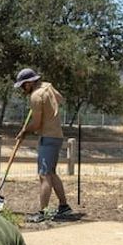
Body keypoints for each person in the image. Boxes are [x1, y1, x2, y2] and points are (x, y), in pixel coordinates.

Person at [14, 68, 74, 223]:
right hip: (56, 136)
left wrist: (25, 131)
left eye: (23, 86)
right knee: (51, 173)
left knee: (44, 175)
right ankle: (64, 207)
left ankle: (43, 212)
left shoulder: (35, 96)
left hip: (47, 137)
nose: (22, 89)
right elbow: (61, 100)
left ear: (29, 83)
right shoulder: (47, 87)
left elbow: (36, 123)